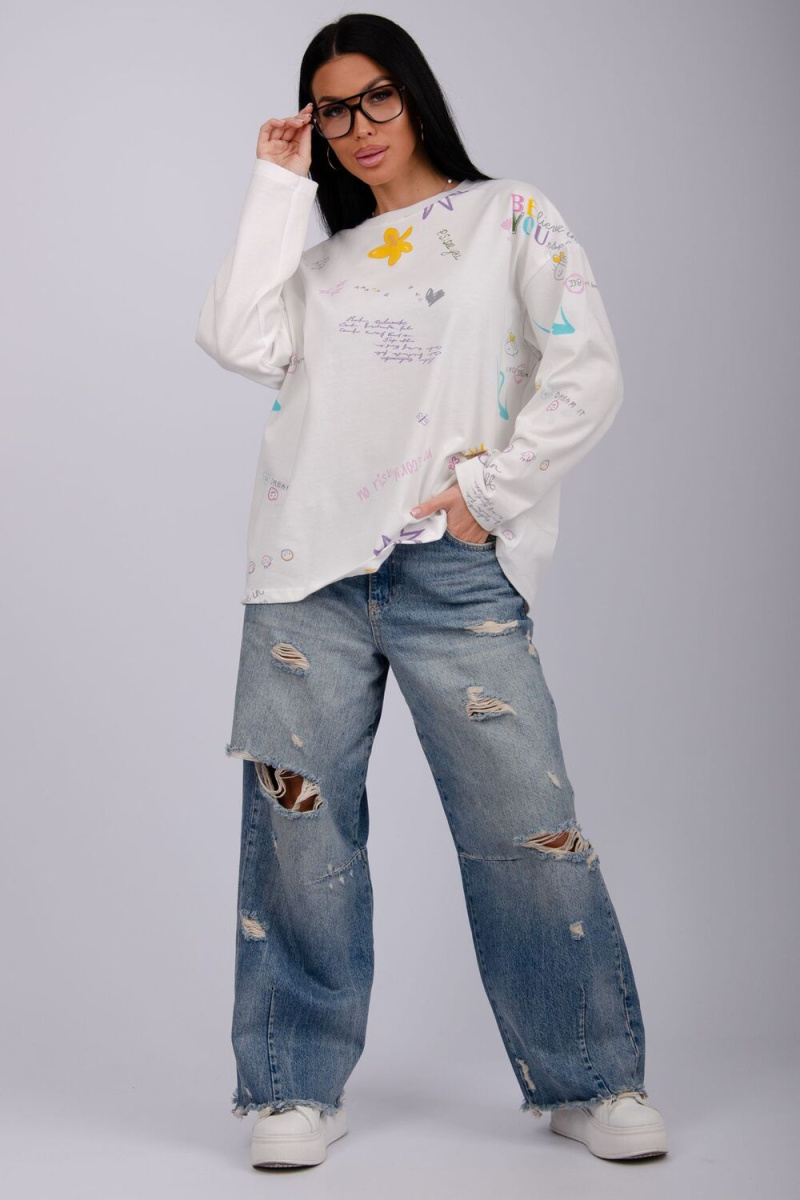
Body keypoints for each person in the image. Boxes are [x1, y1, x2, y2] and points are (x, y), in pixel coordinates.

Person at [195, 11, 668, 1172]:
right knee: (298, 838)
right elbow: (232, 336)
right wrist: (274, 185)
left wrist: (489, 495)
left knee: (522, 826)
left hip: (450, 569)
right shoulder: (316, 266)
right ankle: (292, 1089)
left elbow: (586, 371)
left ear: (412, 95)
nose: (357, 126)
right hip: (302, 575)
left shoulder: (509, 217)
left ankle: (587, 1078)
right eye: (331, 109)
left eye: (376, 98)